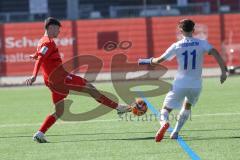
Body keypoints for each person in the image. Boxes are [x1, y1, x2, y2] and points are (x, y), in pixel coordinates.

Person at [26, 17, 132, 143]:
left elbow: (40, 55)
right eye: (58, 29)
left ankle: (40, 133)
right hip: (60, 79)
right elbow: (40, 58)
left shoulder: (42, 41)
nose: (59, 32)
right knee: (90, 89)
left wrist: (34, 55)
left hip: (52, 81)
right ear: (51, 27)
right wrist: (33, 75)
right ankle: (118, 107)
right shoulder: (48, 42)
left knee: (59, 111)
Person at [138, 19, 227, 142]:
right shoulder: (201, 43)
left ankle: (164, 123)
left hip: (180, 82)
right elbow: (215, 52)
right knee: (187, 106)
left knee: (165, 109)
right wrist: (223, 71)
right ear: (193, 30)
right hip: (196, 84)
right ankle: (175, 132)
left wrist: (146, 61)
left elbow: (158, 61)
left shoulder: (177, 45)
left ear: (180, 30)